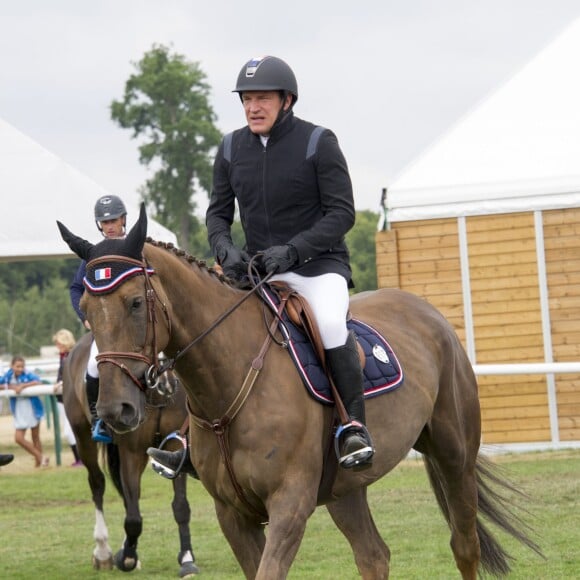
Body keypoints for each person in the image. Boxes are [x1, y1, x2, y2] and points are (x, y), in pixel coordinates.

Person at [147, 55, 374, 475]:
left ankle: (352, 426)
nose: (253, 107)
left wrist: (293, 251)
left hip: (316, 268)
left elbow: (342, 213)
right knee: (208, 329)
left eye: (263, 98)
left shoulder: (317, 142)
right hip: (253, 271)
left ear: (286, 100)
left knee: (328, 323)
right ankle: (185, 437)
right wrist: (222, 248)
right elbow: (217, 213)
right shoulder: (231, 147)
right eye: (247, 99)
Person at [70, 194, 128, 443]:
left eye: (114, 220)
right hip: (106, 331)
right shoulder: (92, 255)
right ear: (99, 226)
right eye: (105, 223)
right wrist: (85, 317)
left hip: (137, 327)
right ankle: (99, 421)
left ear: (123, 220)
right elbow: (75, 288)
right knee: (93, 366)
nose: (110, 226)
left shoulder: (136, 247)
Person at [0, 356, 47, 467]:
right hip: (19, 409)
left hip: (33, 408)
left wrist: (23, 386)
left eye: (22, 366)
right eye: (17, 366)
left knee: (35, 437)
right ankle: (40, 457)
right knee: (19, 438)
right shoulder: (8, 376)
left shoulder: (28, 374)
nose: (20, 369)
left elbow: (38, 382)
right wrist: (12, 387)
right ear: (12, 366)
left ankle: (38, 464)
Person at [52, 329, 82, 466]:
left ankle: (80, 459)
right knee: (68, 431)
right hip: (62, 397)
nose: (57, 346)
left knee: (69, 432)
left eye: (59, 343)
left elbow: (72, 375)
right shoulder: (63, 356)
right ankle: (78, 459)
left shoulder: (69, 356)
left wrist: (61, 383)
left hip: (69, 398)